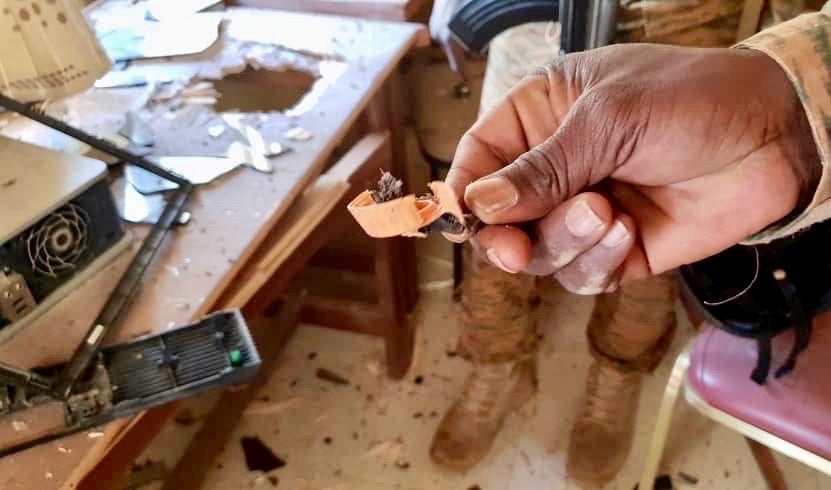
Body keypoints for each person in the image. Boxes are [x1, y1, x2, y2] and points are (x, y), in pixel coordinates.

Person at [427, 0, 831, 484]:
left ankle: (616, 375)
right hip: (532, 28)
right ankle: (494, 367)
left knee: (645, 228)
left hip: (686, 25)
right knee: (491, 222)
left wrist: (788, 88)